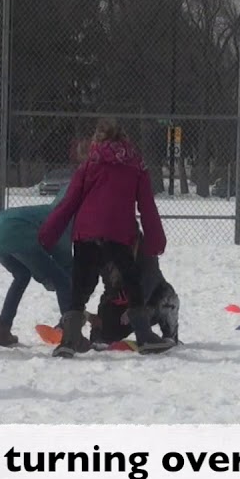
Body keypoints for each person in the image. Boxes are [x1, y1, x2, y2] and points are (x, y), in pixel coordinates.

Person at [37, 119, 170, 356]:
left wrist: (48, 235)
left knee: (80, 286)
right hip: (119, 233)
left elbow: (69, 203)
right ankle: (144, 336)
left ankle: (70, 339)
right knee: (132, 281)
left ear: (98, 141)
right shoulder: (136, 167)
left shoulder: (90, 165)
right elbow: (147, 207)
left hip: (86, 232)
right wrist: (155, 241)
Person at [0, 199, 74, 347]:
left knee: (21, 275)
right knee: (62, 280)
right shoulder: (62, 218)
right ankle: (70, 332)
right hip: (17, 233)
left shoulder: (45, 211)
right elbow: (64, 262)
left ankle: (2, 330)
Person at [88, 236, 179, 351]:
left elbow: (150, 280)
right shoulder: (99, 250)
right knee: (104, 333)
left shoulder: (142, 248)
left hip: (150, 300)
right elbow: (106, 289)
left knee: (165, 298)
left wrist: (134, 308)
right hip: (123, 305)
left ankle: (168, 335)